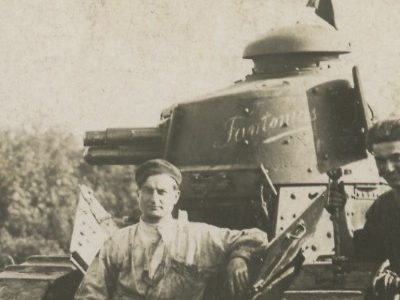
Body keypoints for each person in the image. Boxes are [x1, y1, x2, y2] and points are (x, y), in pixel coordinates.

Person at [75, 159, 269, 300]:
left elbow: (255, 236)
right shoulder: (117, 242)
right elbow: (90, 293)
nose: (154, 198)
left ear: (175, 197)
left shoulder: (198, 236)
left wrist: (239, 257)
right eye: (148, 191)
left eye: (162, 192)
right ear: (138, 195)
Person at [326, 119, 400, 298]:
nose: (388, 168)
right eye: (381, 161)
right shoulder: (385, 207)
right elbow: (356, 255)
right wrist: (341, 211)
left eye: (397, 158)